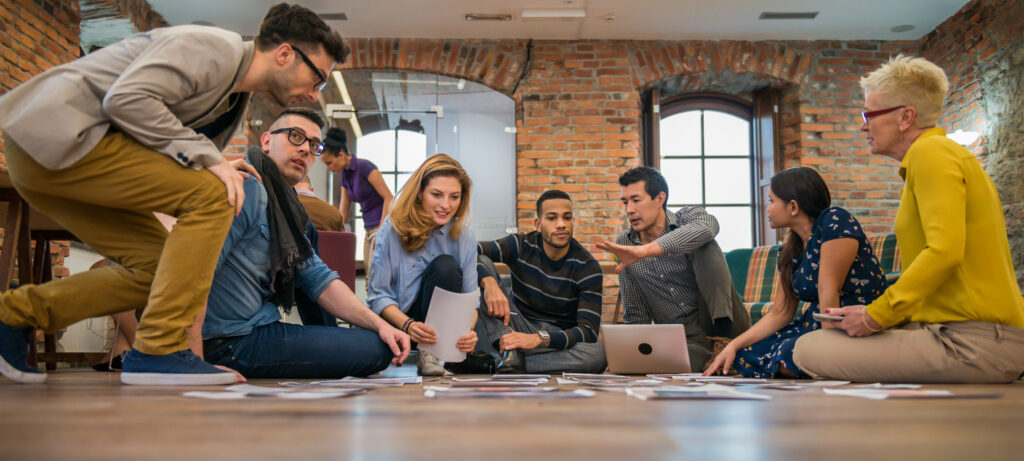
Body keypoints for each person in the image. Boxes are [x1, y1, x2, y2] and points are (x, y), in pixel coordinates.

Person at [0, 3, 346, 385]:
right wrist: (207, 161)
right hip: (58, 136)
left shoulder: (234, 95)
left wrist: (206, 162)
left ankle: (13, 315)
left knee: (156, 268)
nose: (314, 95)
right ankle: (159, 349)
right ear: (284, 54)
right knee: (217, 195)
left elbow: (160, 138)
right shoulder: (215, 48)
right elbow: (126, 100)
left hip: (57, 154)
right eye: (318, 79)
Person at [792, 55, 1024, 383]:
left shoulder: (932, 153)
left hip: (975, 342)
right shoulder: (936, 156)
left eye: (869, 114)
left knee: (809, 349)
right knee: (822, 342)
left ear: (905, 117)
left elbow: (944, 252)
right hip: (960, 332)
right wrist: (883, 316)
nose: (863, 124)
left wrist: (875, 316)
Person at [201, 107, 409, 379]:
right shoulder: (246, 187)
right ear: (266, 141)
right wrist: (194, 360)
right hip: (231, 341)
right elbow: (196, 275)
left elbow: (320, 279)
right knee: (376, 349)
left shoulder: (287, 210)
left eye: (314, 145)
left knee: (377, 338)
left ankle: (333, 338)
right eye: (295, 136)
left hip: (254, 328)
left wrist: (380, 324)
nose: (305, 150)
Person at [703, 167, 887, 378]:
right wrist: (732, 346)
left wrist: (829, 351)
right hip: (813, 322)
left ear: (793, 206)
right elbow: (780, 313)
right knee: (744, 354)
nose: (768, 208)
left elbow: (829, 291)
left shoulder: (835, 221)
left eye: (772, 201)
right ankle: (803, 366)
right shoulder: (791, 249)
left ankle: (820, 366)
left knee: (786, 352)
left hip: (847, 320)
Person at [596, 166, 750, 371]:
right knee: (650, 364)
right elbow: (635, 313)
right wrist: (629, 355)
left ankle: (724, 343)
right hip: (683, 338)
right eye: (625, 202)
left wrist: (645, 251)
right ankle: (720, 363)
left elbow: (708, 227)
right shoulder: (625, 242)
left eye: (636, 200)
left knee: (704, 241)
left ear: (659, 199)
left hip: (727, 322)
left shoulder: (688, 217)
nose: (629, 210)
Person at [366, 154, 478, 376]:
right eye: (436, 195)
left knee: (446, 265)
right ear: (420, 194)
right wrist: (408, 325)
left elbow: (471, 299)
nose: (446, 205)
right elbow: (378, 295)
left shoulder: (464, 237)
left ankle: (432, 354)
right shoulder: (392, 227)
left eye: (454, 197)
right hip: (398, 321)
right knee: (367, 355)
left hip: (439, 332)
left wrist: (468, 332)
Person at [475, 190, 607, 374]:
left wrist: (540, 339)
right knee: (484, 264)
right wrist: (489, 283)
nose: (561, 224)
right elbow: (471, 251)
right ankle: (511, 356)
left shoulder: (588, 266)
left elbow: (588, 331)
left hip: (554, 340)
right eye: (552, 218)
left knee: (597, 354)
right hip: (515, 324)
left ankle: (502, 363)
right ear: (538, 224)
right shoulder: (520, 245)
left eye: (567, 217)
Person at [320, 127, 394, 278]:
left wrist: (382, 231)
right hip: (369, 230)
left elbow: (389, 197)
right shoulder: (345, 176)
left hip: (380, 228)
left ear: (341, 155)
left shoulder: (364, 166)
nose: (328, 168)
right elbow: (343, 211)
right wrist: (333, 234)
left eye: (329, 163)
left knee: (376, 278)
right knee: (369, 277)